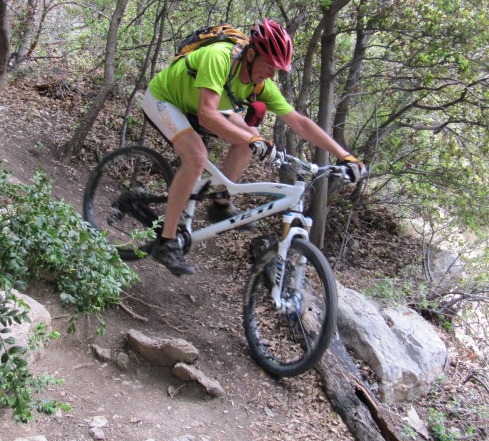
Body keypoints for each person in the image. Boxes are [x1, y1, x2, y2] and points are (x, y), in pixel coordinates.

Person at [142, 18, 367, 276]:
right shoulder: (219, 57)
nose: (272, 74)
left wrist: (345, 156)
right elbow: (207, 115)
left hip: (201, 106)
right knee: (197, 156)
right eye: (270, 66)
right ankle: (166, 241)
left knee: (253, 135)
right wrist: (250, 140)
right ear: (251, 53)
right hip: (165, 99)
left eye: (277, 69)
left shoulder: (261, 84)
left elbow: (300, 123)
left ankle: (219, 202)